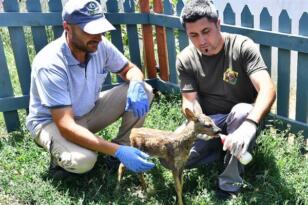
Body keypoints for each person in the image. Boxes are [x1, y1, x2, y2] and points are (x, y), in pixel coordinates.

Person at [26, 0, 155, 176]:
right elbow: (65, 125)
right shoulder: (50, 63)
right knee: (83, 161)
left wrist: (136, 83)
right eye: (90, 30)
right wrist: (115, 149)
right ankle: (60, 160)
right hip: (52, 123)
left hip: (86, 111)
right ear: (67, 27)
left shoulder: (99, 45)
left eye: (100, 29)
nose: (99, 36)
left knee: (145, 90)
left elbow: (130, 69)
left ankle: (120, 150)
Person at [176, 0, 276, 198]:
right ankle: (225, 149)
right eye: (193, 35)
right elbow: (188, 100)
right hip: (210, 121)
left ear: (218, 24)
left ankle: (229, 182)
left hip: (243, 118)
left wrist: (249, 124)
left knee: (241, 112)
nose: (201, 41)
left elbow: (267, 88)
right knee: (176, 158)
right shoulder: (186, 58)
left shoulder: (242, 46)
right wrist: (197, 120)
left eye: (206, 31)